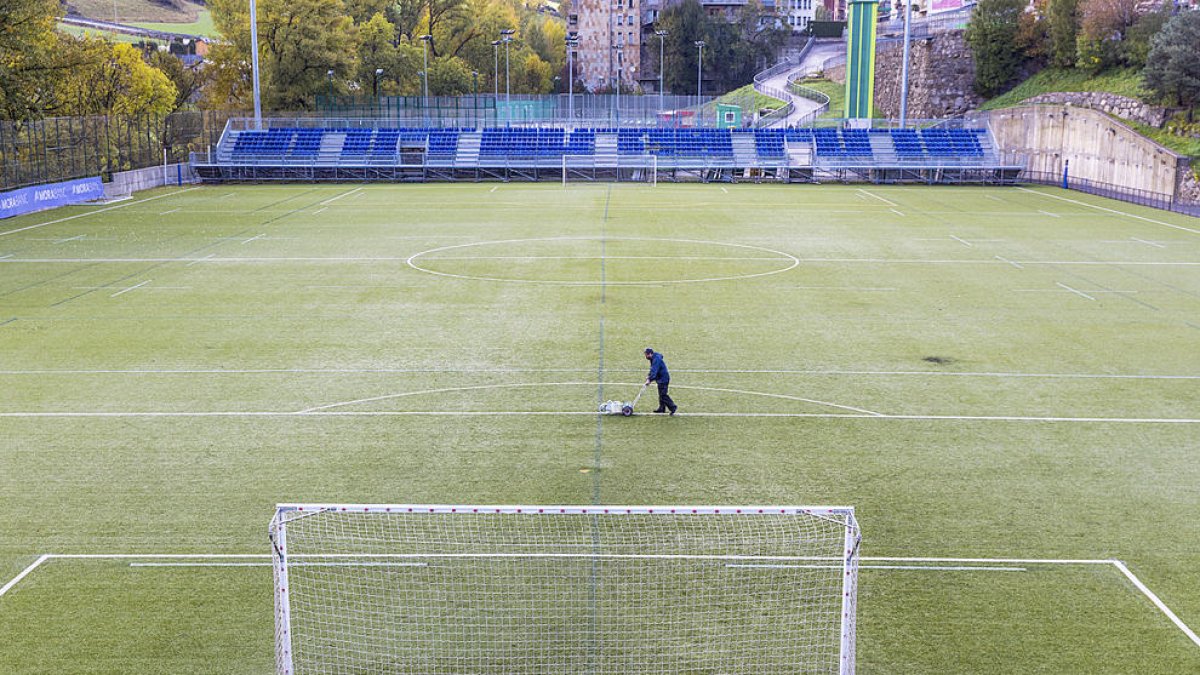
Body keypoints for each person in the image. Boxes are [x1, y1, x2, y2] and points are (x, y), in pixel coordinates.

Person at [644, 348, 677, 416]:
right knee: (661, 393)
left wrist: (649, 379)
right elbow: (652, 368)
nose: (646, 356)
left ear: (650, 354)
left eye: (646, 355)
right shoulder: (653, 358)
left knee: (663, 395)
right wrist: (649, 376)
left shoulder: (656, 360)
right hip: (660, 378)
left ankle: (673, 407)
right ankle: (662, 408)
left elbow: (654, 370)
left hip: (663, 379)